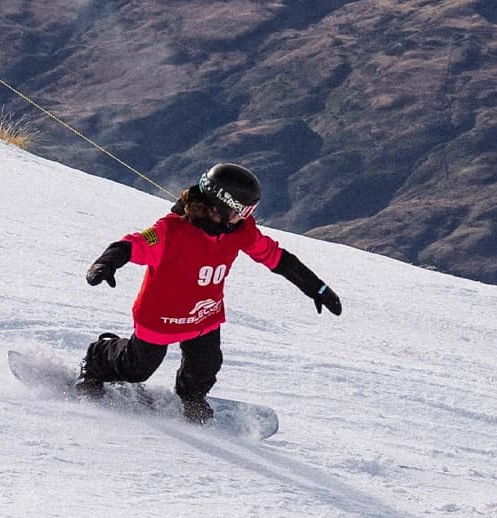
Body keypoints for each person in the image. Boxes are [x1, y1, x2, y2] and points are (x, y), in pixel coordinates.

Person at [82, 162, 341, 420]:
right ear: (221, 206)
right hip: (160, 317)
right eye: (244, 210)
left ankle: (191, 397)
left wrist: (315, 287)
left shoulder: (241, 231)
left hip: (204, 316)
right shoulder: (171, 230)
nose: (247, 217)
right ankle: (97, 358)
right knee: (136, 369)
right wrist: (106, 263)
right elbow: (133, 244)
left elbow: (276, 257)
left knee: (206, 366)